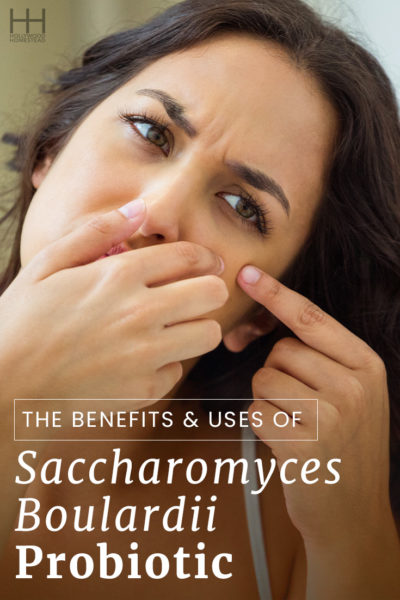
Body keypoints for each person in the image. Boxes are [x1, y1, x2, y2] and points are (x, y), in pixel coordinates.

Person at [0, 0, 399, 598]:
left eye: (244, 207)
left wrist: (358, 537)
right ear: (52, 147)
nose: (158, 212)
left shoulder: (297, 509)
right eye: (151, 131)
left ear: (262, 315)